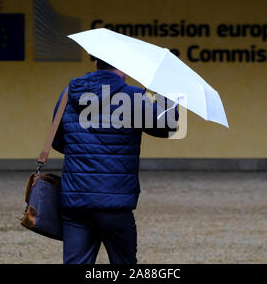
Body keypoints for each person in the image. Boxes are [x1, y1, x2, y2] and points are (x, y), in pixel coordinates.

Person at [52, 57, 178, 264]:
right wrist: (165, 90)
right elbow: (168, 127)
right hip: (115, 203)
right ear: (123, 67)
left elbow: (59, 143)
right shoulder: (133, 96)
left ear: (96, 64)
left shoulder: (68, 93)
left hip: (76, 201)